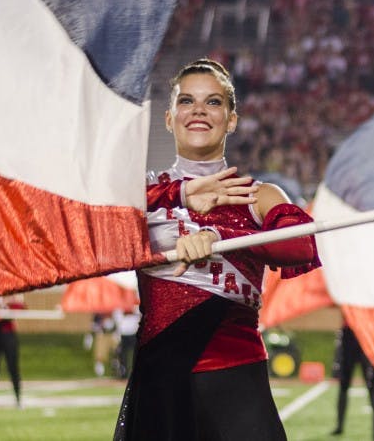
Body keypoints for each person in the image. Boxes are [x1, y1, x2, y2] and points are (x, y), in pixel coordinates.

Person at [113, 58, 320, 440]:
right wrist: (180, 194)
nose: (198, 111)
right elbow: (91, 225)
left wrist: (221, 241)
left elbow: (301, 246)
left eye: (213, 102)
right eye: (187, 101)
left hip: (235, 383)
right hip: (160, 380)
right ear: (169, 117)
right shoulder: (136, 194)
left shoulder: (257, 194)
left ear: (232, 119)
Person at [113, 306, 141, 379]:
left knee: (136, 355)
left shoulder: (135, 306)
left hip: (134, 334)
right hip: (123, 334)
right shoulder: (119, 308)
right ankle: (123, 373)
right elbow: (117, 319)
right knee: (122, 355)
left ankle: (137, 373)